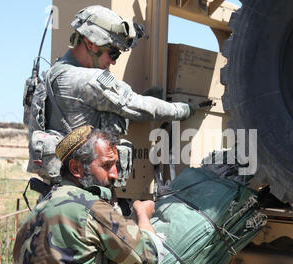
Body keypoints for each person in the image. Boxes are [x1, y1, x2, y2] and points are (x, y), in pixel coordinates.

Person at [27, 4, 198, 187]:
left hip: (58, 185)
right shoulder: (89, 79)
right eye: (113, 52)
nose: (114, 62)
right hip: (84, 189)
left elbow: (89, 117)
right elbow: (135, 105)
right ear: (91, 43)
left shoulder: (53, 74)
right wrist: (182, 110)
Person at [13, 125, 166, 264]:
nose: (115, 174)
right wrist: (143, 215)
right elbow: (148, 256)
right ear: (76, 169)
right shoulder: (90, 208)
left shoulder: (36, 212)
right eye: (107, 165)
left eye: (115, 165)